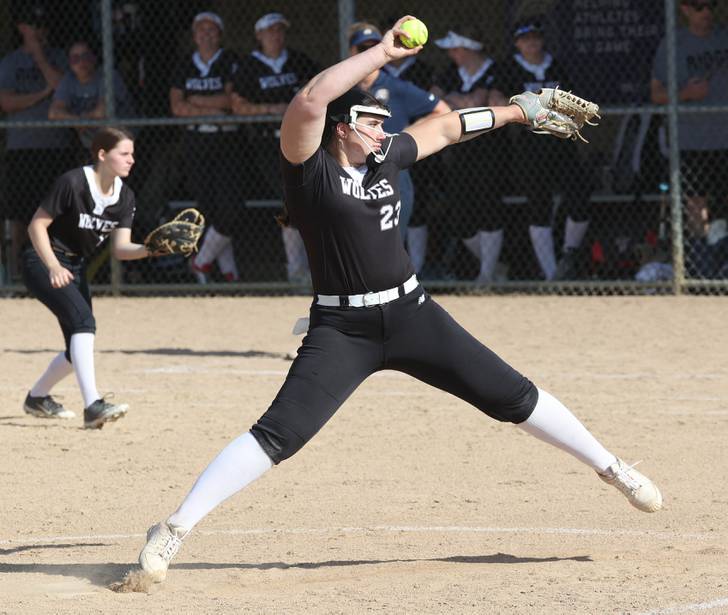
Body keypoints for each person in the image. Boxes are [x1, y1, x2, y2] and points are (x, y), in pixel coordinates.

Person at [136, 17, 662, 583]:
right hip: (343, 329)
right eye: (370, 121)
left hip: (412, 314)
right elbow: (311, 98)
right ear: (339, 129)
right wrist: (383, 52)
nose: (382, 131)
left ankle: (612, 468)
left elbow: (447, 129)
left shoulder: (383, 156)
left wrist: (518, 111)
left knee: (512, 394)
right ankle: (173, 529)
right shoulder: (308, 173)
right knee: (279, 435)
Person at [21, 127, 162, 428]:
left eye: (132, 154)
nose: (131, 160)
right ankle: (93, 406)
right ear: (101, 154)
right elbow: (36, 226)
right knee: (84, 324)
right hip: (41, 259)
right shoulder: (73, 182)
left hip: (74, 265)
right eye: (124, 153)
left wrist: (151, 249)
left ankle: (37, 398)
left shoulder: (125, 196)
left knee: (77, 345)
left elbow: (121, 249)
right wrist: (53, 266)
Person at [650, 0, 728, 241]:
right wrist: (686, 94)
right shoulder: (673, 45)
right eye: (699, 7)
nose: (706, 12)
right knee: (696, 202)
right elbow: (656, 94)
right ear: (685, 9)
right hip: (691, 141)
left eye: (711, 6)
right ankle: (703, 259)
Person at [496, 17, 592, 280]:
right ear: (517, 43)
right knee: (539, 206)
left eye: (536, 37)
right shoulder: (508, 68)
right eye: (526, 38)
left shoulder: (556, 65)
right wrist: (530, 109)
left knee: (579, 199)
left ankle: (569, 255)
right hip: (530, 145)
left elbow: (575, 101)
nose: (532, 43)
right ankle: (551, 275)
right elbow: (498, 100)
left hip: (562, 142)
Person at [231, 12, 318, 285]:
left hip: (303, 139)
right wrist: (272, 109)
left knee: (312, 199)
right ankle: (296, 271)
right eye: (270, 31)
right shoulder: (249, 66)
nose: (276, 35)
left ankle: (312, 268)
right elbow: (237, 106)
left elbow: (319, 92)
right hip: (268, 142)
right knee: (290, 201)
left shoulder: (299, 61)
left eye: (280, 30)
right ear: (259, 35)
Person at [347, 22, 450, 238]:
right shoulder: (343, 88)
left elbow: (442, 110)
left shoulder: (395, 86)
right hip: (351, 174)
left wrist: (406, 136)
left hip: (390, 173)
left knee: (390, 242)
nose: (368, 54)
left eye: (372, 48)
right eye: (362, 49)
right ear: (351, 51)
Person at [0, 3, 73, 281]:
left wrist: (40, 56)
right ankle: (18, 274)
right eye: (33, 26)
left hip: (56, 146)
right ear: (21, 28)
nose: (39, 31)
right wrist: (43, 94)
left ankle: (57, 270)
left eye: (42, 26)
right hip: (22, 148)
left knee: (57, 213)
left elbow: (61, 84)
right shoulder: (11, 62)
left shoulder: (59, 58)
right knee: (21, 213)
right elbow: (6, 102)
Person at [430, 26, 507, 284]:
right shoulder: (450, 72)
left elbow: (495, 104)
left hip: (491, 150)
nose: (451, 53)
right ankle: (493, 268)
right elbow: (437, 104)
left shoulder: (497, 71)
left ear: (469, 49)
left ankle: (486, 275)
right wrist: (470, 100)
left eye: (455, 48)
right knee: (461, 216)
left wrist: (457, 102)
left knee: (489, 209)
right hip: (458, 149)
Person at [170, 11, 243, 283]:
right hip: (196, 140)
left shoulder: (230, 60)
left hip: (226, 139)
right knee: (210, 208)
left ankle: (200, 262)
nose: (206, 34)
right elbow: (176, 106)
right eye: (201, 29)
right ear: (194, 35)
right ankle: (228, 272)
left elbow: (231, 101)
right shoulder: (184, 64)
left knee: (231, 210)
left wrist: (197, 101)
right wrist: (210, 104)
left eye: (212, 29)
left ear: (220, 34)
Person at [49, 39, 135, 158]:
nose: (81, 62)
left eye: (86, 57)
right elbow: (54, 113)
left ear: (94, 58)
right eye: (75, 58)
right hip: (91, 145)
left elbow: (103, 111)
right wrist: (79, 120)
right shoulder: (69, 79)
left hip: (121, 143)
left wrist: (79, 121)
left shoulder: (107, 75)